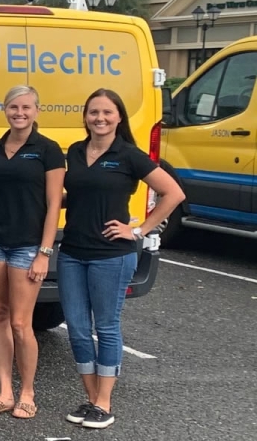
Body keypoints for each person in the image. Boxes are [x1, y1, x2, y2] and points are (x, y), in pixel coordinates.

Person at [59, 89, 183, 430]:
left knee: (107, 326)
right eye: (93, 112)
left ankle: (104, 402)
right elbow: (77, 195)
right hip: (72, 252)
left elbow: (174, 193)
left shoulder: (129, 155)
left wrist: (139, 230)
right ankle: (90, 398)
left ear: (119, 118)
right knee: (78, 330)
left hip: (112, 256)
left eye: (107, 113)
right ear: (85, 116)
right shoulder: (76, 151)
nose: (99, 118)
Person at [0, 85, 64, 420]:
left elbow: (54, 205)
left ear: (37, 111)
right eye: (13, 107)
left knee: (21, 323)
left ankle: (27, 393)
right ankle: (4, 392)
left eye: (26, 108)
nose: (19, 113)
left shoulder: (48, 150)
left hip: (28, 246)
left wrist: (45, 252)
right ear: (4, 109)